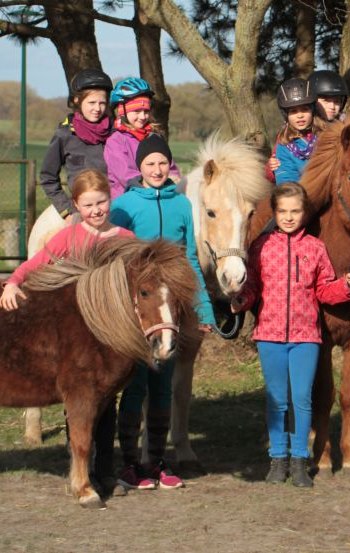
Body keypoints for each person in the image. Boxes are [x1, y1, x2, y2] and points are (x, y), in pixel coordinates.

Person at [0, 169, 134, 494]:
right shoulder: (69, 237)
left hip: (111, 343)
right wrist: (13, 282)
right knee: (81, 405)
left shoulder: (125, 240)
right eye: (88, 205)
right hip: (76, 339)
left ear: (109, 199)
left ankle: (104, 471)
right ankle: (81, 468)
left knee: (106, 409)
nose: (96, 210)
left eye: (101, 202)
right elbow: (37, 263)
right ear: (76, 205)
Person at [230, 182, 350, 488]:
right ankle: (278, 459)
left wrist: (346, 286)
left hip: (306, 337)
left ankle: (300, 459)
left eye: (295, 211)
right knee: (277, 400)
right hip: (270, 336)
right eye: (283, 211)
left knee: (302, 399)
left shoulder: (315, 248)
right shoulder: (261, 247)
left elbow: (324, 289)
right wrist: (240, 301)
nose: (289, 217)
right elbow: (252, 289)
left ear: (304, 213)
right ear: (275, 213)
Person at [110, 133, 217, 492]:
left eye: (161, 163)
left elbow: (188, 258)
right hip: (137, 311)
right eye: (149, 164)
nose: (156, 170)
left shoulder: (182, 205)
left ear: (170, 166)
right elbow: (115, 260)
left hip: (172, 309)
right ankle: (129, 465)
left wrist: (203, 309)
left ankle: (156, 461)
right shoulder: (125, 204)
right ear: (139, 168)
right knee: (135, 386)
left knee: (162, 387)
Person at [40, 68, 113, 220]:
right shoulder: (64, 135)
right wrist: (67, 211)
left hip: (114, 209)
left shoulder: (115, 133)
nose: (97, 109)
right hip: (79, 213)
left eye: (102, 103)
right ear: (76, 100)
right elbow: (48, 178)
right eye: (91, 102)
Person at [104, 77, 181, 198]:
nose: (142, 116)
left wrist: (173, 182)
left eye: (146, 111)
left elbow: (170, 167)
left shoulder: (154, 137)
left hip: (158, 196)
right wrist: (155, 185)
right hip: (129, 202)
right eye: (137, 111)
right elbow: (126, 176)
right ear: (121, 111)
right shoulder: (116, 141)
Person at [269, 78, 319, 185]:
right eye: (293, 111)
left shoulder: (325, 136)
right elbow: (287, 182)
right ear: (286, 115)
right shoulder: (284, 147)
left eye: (305, 109)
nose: (300, 115)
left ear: (313, 110)